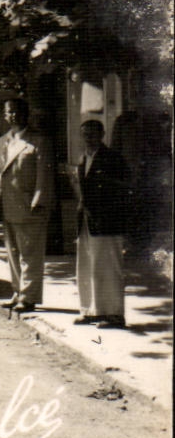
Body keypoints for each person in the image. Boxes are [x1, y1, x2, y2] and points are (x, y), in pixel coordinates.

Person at [0, 97, 54, 314]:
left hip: (29, 206)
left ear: (26, 114)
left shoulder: (38, 141)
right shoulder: (2, 141)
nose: (13, 116)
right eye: (9, 112)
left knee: (30, 254)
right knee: (12, 253)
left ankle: (29, 297)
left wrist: (39, 200)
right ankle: (17, 291)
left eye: (17, 111)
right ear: (4, 115)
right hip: (7, 205)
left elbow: (44, 175)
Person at [72, 119, 133, 328]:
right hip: (87, 221)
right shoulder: (83, 159)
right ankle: (91, 311)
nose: (88, 138)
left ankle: (114, 314)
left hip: (108, 222)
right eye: (85, 134)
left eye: (93, 134)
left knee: (109, 268)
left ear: (102, 135)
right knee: (87, 267)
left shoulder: (113, 158)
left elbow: (125, 189)